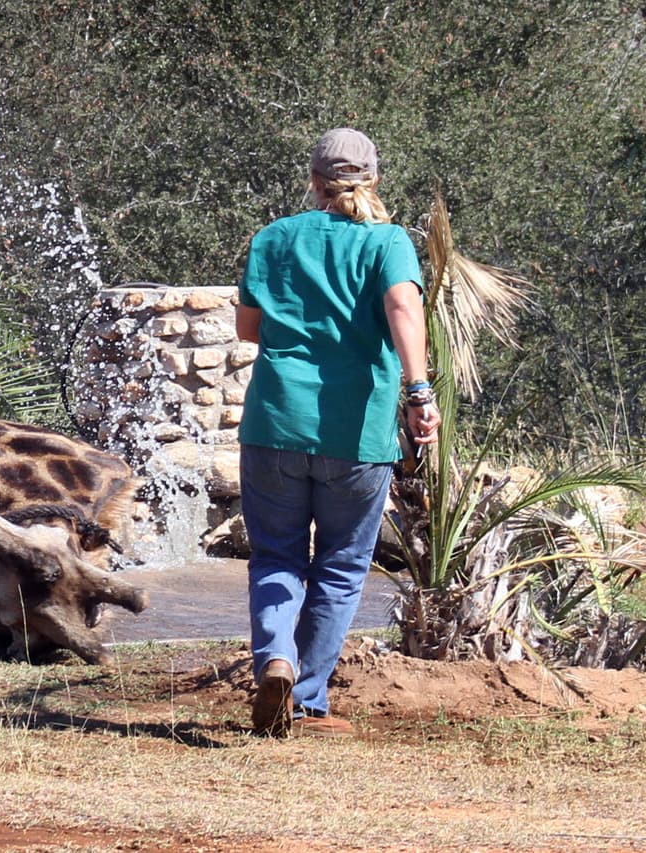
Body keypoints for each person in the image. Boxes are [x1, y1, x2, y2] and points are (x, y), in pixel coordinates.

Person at [235, 127, 440, 738]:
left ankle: (276, 655)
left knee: (275, 556)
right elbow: (404, 308)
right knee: (343, 566)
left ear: (313, 182)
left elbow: (250, 329)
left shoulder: (273, 238)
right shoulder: (388, 242)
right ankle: (308, 696)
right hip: (357, 433)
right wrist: (419, 391)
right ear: (373, 180)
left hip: (274, 423)